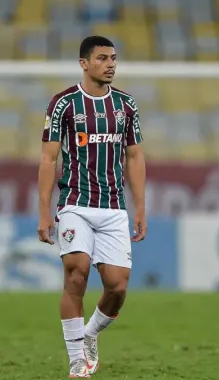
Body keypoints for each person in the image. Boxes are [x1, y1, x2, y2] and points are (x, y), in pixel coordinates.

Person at [37, 36, 147, 378]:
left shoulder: (126, 105)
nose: (111, 64)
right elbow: (48, 157)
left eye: (113, 58)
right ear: (84, 63)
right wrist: (44, 211)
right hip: (75, 203)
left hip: (113, 206)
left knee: (117, 287)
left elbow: (135, 156)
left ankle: (89, 335)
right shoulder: (64, 104)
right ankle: (75, 361)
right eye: (102, 58)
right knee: (76, 271)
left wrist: (140, 206)